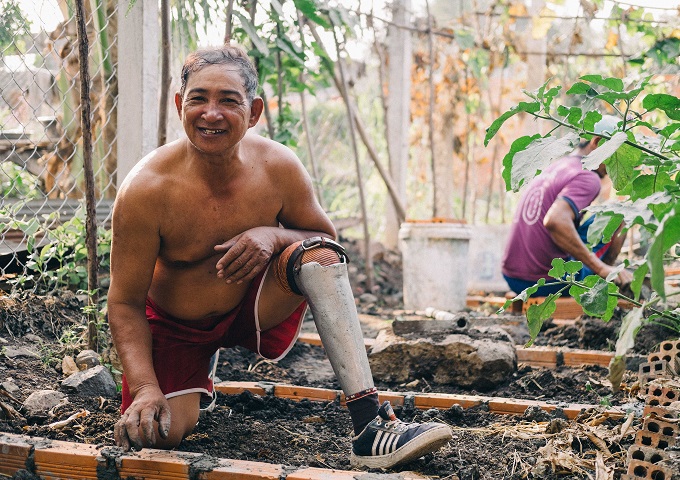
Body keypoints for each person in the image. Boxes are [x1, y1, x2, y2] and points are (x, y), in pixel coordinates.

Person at [107, 44, 452, 469]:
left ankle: (369, 424)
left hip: (254, 305)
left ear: (253, 112)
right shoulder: (146, 189)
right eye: (198, 99)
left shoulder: (278, 166)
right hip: (176, 328)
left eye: (228, 101)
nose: (211, 113)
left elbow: (328, 240)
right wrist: (144, 387)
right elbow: (124, 303)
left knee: (319, 257)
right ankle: (196, 377)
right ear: (180, 104)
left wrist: (271, 234)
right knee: (156, 436)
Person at [502, 115, 634, 297]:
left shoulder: (560, 166)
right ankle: (607, 284)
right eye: (616, 153)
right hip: (545, 280)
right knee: (621, 213)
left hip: (513, 277)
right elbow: (555, 221)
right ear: (597, 142)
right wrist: (602, 268)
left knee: (609, 213)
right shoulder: (588, 176)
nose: (619, 162)